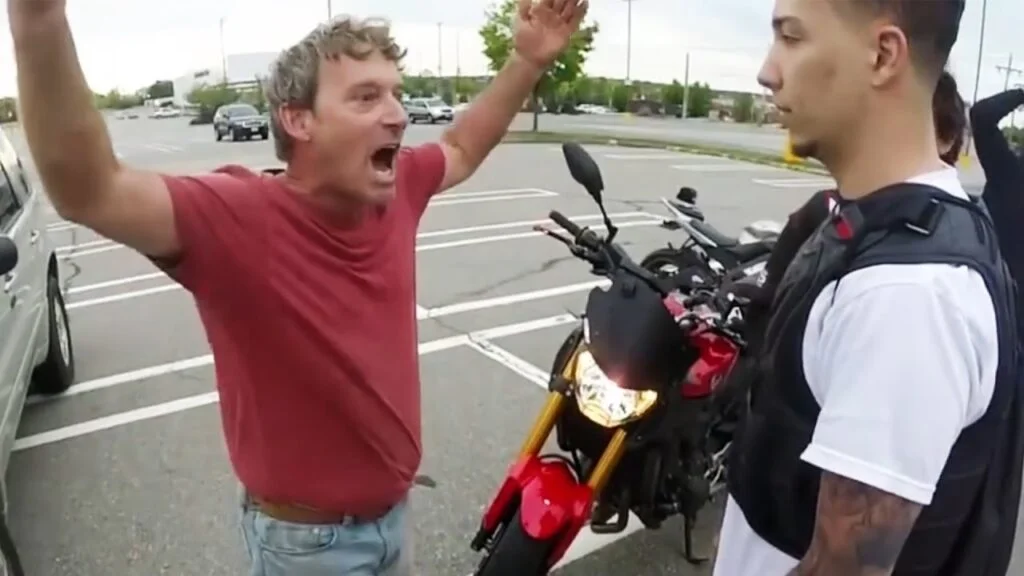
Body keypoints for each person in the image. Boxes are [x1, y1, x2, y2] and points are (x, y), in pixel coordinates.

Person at [6, 0, 588, 574]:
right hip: (308, 550)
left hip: (393, 519)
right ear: (298, 120)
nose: (397, 114)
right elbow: (91, 191)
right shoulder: (237, 218)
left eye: (395, 93)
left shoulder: (397, 188)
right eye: (366, 97)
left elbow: (460, 147)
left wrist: (526, 61)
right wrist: (38, 17)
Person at [713, 1, 1022, 576]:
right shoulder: (877, 223)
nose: (767, 71)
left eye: (791, 37)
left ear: (883, 55)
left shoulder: (907, 297)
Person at [971, 87, 1024, 283]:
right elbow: (981, 116)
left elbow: (982, 115)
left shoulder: (1008, 175)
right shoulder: (1010, 175)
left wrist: (1021, 94)